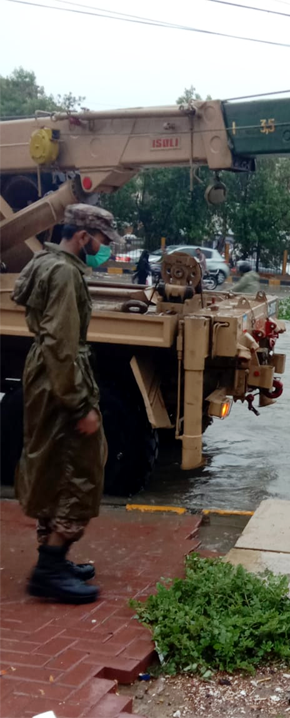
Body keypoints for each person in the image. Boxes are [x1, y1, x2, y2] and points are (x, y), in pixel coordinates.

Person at [11, 204, 118, 604]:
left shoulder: (45, 262)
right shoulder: (65, 273)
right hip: (61, 376)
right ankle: (49, 569)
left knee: (54, 464)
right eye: (102, 240)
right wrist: (79, 405)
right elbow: (62, 344)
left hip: (44, 373)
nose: (104, 247)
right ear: (83, 236)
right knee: (80, 468)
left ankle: (52, 556)